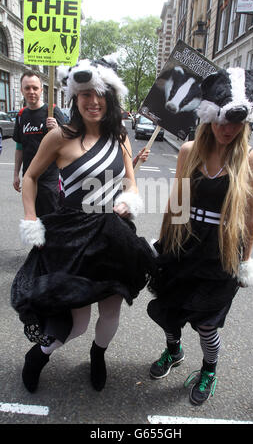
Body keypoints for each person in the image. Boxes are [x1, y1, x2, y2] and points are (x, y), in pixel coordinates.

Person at [11, 57, 155, 394]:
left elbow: (131, 183)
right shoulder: (60, 137)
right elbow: (31, 177)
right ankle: (39, 354)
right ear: (75, 98)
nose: (93, 101)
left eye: (99, 94)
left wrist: (128, 199)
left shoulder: (120, 136)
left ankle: (98, 355)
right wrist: (31, 219)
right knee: (79, 320)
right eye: (85, 94)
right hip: (73, 235)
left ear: (110, 97)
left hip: (112, 234)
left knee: (111, 308)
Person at [147, 67, 253, 406]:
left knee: (206, 323)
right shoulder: (189, 151)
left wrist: (245, 262)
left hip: (222, 250)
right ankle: (174, 351)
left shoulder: (252, 159)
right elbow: (178, 204)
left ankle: (209, 369)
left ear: (244, 123)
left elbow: (249, 215)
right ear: (209, 117)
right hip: (184, 243)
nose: (226, 130)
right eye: (220, 121)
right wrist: (163, 244)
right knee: (169, 308)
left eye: (234, 123)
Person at [13, 71, 65, 216]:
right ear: (21, 90)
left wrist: (57, 130)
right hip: (30, 178)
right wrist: (16, 174)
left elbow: (69, 144)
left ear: (42, 90)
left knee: (52, 220)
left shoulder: (53, 111)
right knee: (32, 219)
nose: (31, 92)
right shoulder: (21, 115)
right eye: (27, 88)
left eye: (35, 88)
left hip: (50, 179)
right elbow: (19, 147)